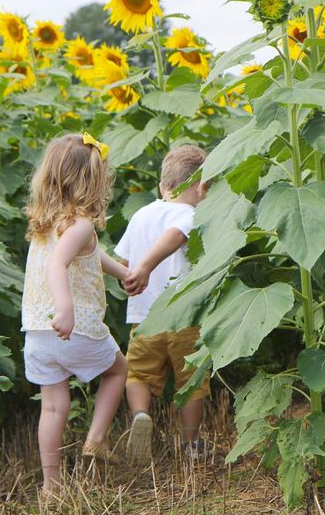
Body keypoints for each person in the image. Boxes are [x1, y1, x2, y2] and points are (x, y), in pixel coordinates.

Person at [22, 132, 128, 497]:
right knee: (118, 370)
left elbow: (89, 256)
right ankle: (96, 439)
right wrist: (65, 308)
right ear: (92, 182)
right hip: (74, 326)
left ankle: (52, 487)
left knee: (53, 407)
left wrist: (124, 272)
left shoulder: (44, 223)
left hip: (37, 332)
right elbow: (58, 264)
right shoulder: (81, 224)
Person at [115, 145, 210, 464]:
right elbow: (176, 234)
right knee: (191, 382)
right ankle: (192, 444)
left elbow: (123, 261)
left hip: (144, 318)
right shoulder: (191, 214)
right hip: (186, 316)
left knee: (138, 375)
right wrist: (147, 267)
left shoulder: (141, 214)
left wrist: (133, 274)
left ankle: (141, 416)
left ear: (162, 186)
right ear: (202, 187)